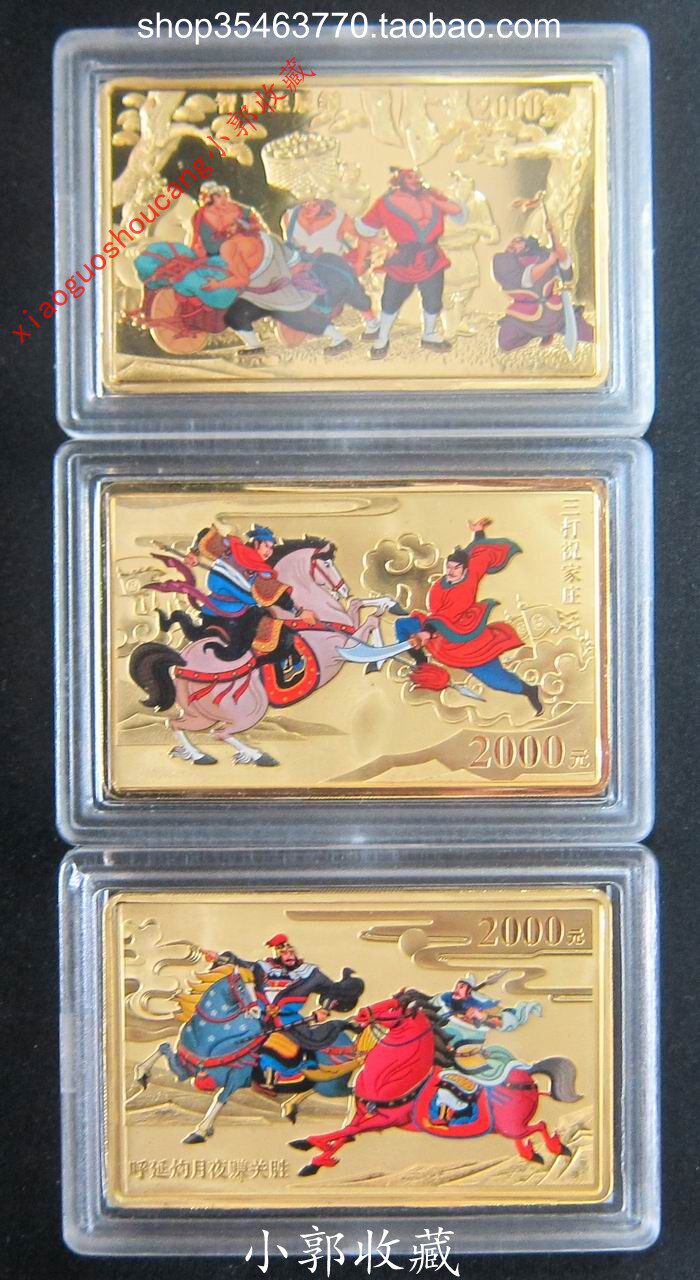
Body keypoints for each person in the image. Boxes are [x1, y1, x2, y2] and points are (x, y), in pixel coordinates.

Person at [388, 518, 543, 715]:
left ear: (465, 570)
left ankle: (529, 690)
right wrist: (478, 533)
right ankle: (421, 662)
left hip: (463, 639)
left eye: (456, 568)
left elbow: (446, 615)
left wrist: (426, 633)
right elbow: (478, 552)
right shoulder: (452, 577)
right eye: (449, 567)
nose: (451, 572)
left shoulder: (465, 588)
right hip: (437, 628)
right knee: (403, 625)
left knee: (496, 680)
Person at [203, 934, 365, 1081]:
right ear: (277, 955)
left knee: (304, 1042)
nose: (289, 956)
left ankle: (283, 1073)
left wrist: (325, 1009)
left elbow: (332, 990)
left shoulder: (310, 974)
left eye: (291, 952)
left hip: (288, 1020)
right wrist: (218, 958)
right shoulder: (261, 968)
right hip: (257, 1017)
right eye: (284, 953)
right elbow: (240, 965)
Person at [200, 207, 354, 355]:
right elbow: (293, 262)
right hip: (267, 295)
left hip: (275, 294)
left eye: (230, 223)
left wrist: (217, 285)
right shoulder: (268, 239)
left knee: (299, 321)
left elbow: (242, 279)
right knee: (235, 315)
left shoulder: (235, 246)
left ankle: (338, 338)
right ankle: (254, 346)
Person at [355, 167, 467, 359]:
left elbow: (458, 212)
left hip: (431, 257)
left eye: (417, 176)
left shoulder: (432, 196)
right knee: (391, 300)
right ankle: (382, 337)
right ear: (399, 180)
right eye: (410, 177)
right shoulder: (386, 202)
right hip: (403, 258)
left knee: (433, 299)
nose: (415, 180)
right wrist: (364, 257)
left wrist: (435, 200)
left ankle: (429, 334)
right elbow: (366, 231)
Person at [430, 976, 541, 1127]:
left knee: (450, 1084)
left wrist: (481, 1016)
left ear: (469, 991)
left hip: (467, 1057)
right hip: (437, 1050)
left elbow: (506, 1021)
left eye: (462, 987)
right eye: (457, 985)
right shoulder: (444, 1000)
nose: (457, 989)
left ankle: (446, 1116)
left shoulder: (483, 1006)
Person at [281, 198, 379, 338]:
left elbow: (365, 235)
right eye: (307, 204)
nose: (309, 208)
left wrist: (360, 259)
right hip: (303, 270)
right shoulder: (289, 217)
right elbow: (289, 247)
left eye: (315, 205)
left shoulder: (340, 219)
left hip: (332, 268)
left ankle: (371, 321)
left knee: (351, 289)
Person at [492, 222, 594, 352]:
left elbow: (565, 270)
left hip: (555, 312)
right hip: (523, 313)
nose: (512, 244)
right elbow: (524, 280)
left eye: (518, 241)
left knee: (591, 334)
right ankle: (536, 334)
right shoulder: (501, 261)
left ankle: (550, 332)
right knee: (505, 342)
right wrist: (549, 262)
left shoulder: (543, 255)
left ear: (528, 245)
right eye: (512, 242)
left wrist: (554, 236)